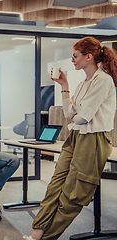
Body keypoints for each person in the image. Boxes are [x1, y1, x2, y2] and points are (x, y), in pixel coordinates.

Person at [26, 37, 117, 240]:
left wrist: (78, 116)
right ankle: (35, 235)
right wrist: (64, 85)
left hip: (93, 140)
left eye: (75, 56)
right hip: (76, 136)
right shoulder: (83, 83)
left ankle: (45, 237)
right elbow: (70, 115)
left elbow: (83, 118)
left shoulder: (103, 80)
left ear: (89, 56)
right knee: (55, 186)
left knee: (73, 195)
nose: (72, 60)